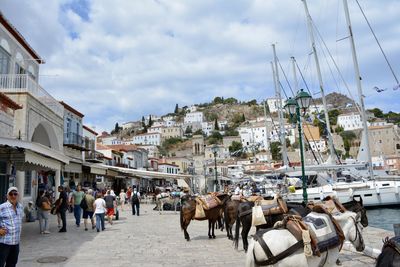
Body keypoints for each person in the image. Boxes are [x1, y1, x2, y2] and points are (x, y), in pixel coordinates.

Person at [0, 187, 23, 267]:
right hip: (4, 243)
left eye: (15, 194)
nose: (13, 196)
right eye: (11, 194)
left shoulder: (20, 207)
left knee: (12, 264)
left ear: (18, 195)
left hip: (16, 242)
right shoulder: (2, 207)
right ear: (7, 196)